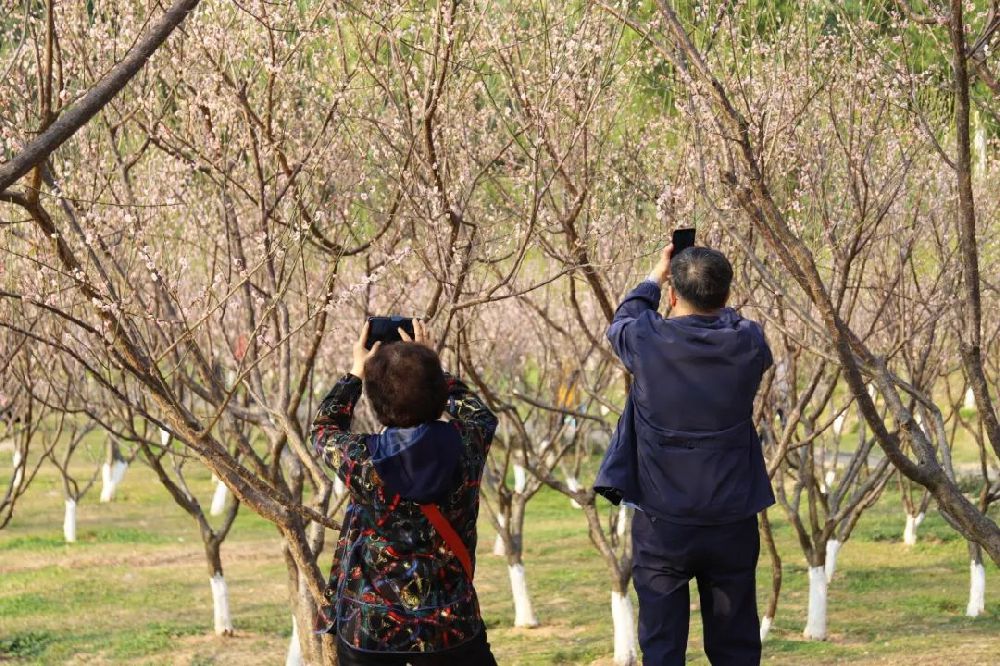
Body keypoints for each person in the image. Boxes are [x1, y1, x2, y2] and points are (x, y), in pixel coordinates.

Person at [595, 243, 775, 665]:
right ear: (727, 295)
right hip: (731, 520)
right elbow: (738, 323)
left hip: (662, 526)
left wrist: (655, 277)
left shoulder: (646, 340)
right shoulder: (747, 342)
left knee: (661, 649)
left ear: (673, 294)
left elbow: (621, 320)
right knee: (736, 649)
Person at [311, 320, 499, 666]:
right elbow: (480, 414)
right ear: (439, 391)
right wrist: (430, 364)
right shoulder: (468, 443)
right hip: (452, 627)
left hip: (372, 630)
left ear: (374, 401)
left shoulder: (363, 461)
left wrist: (355, 373)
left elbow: (324, 428)